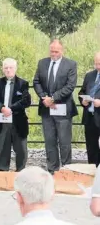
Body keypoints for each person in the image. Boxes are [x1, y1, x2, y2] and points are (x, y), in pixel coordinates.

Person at [33, 39, 78, 174]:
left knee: (64, 142)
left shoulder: (70, 64)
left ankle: (66, 170)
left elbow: (70, 86)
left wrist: (53, 98)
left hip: (63, 110)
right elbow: (36, 82)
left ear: (62, 51)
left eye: (56, 51)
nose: (53, 53)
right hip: (46, 110)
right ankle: (52, 170)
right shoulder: (42, 63)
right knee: (50, 142)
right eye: (51, 51)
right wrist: (44, 98)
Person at [0, 58, 32, 172]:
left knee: (21, 150)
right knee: (1, 149)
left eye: (10, 67)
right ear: (3, 69)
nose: (8, 70)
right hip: (1, 121)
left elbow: (26, 101)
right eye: (6, 68)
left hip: (18, 121)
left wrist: (11, 109)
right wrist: (2, 108)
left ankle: (21, 172)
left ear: (15, 68)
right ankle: (2, 175)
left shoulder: (23, 83)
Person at [78, 52, 100, 166]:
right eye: (96, 64)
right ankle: (93, 170)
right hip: (89, 118)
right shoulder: (89, 75)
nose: (98, 67)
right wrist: (83, 100)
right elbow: (81, 91)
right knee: (91, 147)